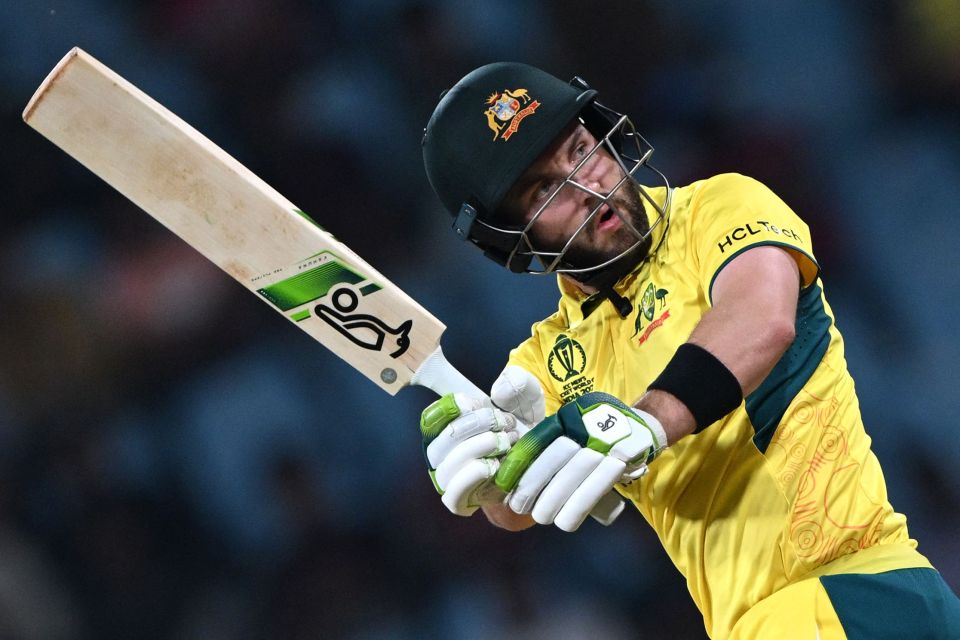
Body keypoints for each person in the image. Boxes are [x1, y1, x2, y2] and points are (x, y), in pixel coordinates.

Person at [417, 62, 960, 639]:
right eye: (545, 188)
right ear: (508, 235)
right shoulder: (547, 360)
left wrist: (645, 422)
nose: (586, 184)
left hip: (851, 593)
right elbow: (518, 504)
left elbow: (760, 318)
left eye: (581, 148)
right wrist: (490, 476)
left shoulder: (719, 207)